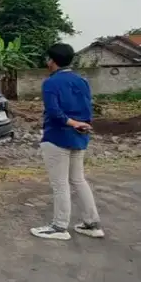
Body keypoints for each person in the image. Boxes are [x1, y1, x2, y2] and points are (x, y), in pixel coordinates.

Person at [30, 42, 104, 241]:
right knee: (78, 180)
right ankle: (92, 223)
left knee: (60, 184)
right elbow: (88, 110)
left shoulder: (51, 83)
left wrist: (71, 123)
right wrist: (81, 124)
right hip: (80, 137)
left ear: (52, 61)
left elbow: (54, 113)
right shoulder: (82, 81)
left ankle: (59, 227)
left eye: (48, 58)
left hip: (57, 137)